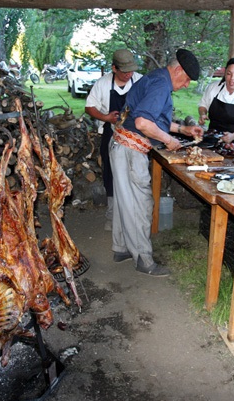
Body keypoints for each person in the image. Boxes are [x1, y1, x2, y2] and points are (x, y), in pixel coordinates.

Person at [109, 49, 204, 276]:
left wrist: (182, 129)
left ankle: (121, 248)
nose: (187, 85)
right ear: (178, 70)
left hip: (121, 145)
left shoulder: (155, 78)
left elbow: (151, 117)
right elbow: (142, 122)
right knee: (140, 205)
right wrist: (169, 140)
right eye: (187, 79)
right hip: (131, 150)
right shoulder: (161, 85)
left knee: (125, 199)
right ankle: (143, 259)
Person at [85, 49, 143, 231]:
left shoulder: (140, 81)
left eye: (131, 71)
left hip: (135, 136)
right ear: (114, 68)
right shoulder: (103, 84)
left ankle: (132, 216)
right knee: (111, 175)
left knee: (134, 174)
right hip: (110, 135)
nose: (128, 75)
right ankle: (112, 215)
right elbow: (89, 107)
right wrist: (106, 118)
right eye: (125, 71)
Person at [197, 57, 234, 144]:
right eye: (229, 74)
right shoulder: (214, 88)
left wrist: (233, 136)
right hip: (212, 139)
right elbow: (203, 104)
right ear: (225, 74)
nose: (232, 78)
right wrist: (203, 114)